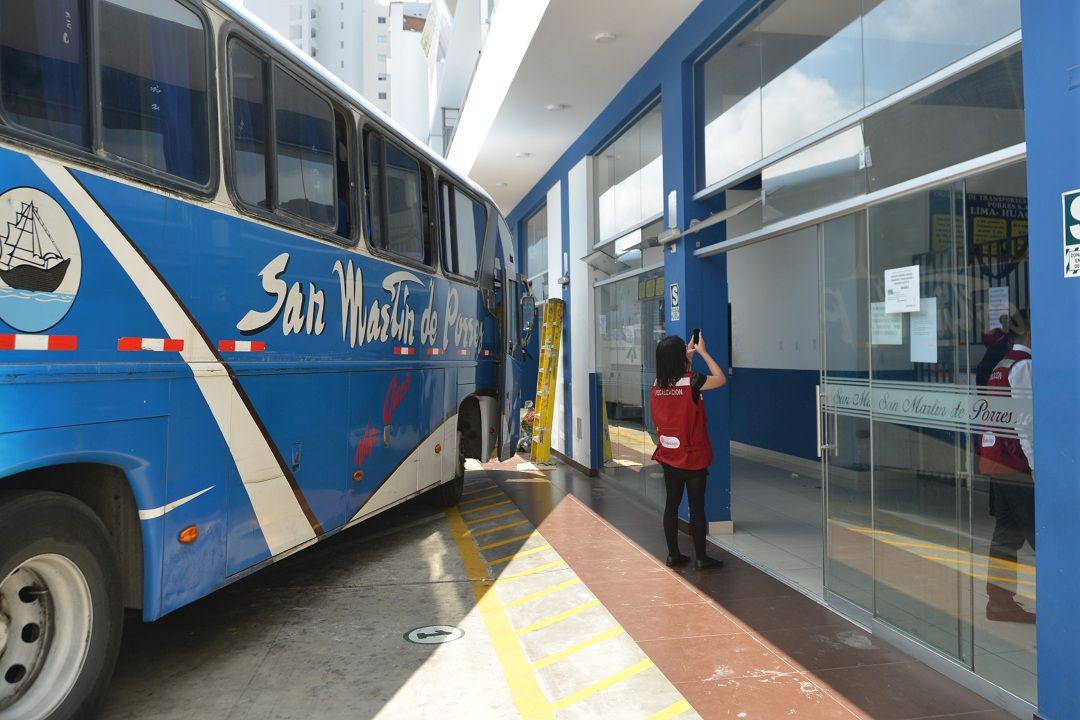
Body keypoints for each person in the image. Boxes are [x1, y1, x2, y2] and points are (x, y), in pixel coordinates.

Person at [650, 332, 727, 570]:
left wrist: (687, 358)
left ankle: (673, 555)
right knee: (697, 508)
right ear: (678, 357)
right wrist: (703, 352)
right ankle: (701, 558)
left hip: (669, 455)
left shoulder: (657, 383)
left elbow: (678, 384)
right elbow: (720, 379)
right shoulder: (694, 380)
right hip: (692, 457)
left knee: (671, 506)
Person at [978, 309, 1036, 623]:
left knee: (1006, 534)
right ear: (1030, 333)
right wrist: (1036, 467)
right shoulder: (1024, 365)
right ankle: (1065, 606)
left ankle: (998, 602)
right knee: (1041, 533)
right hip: (1015, 463)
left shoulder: (1002, 364)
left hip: (995, 460)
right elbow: (1025, 422)